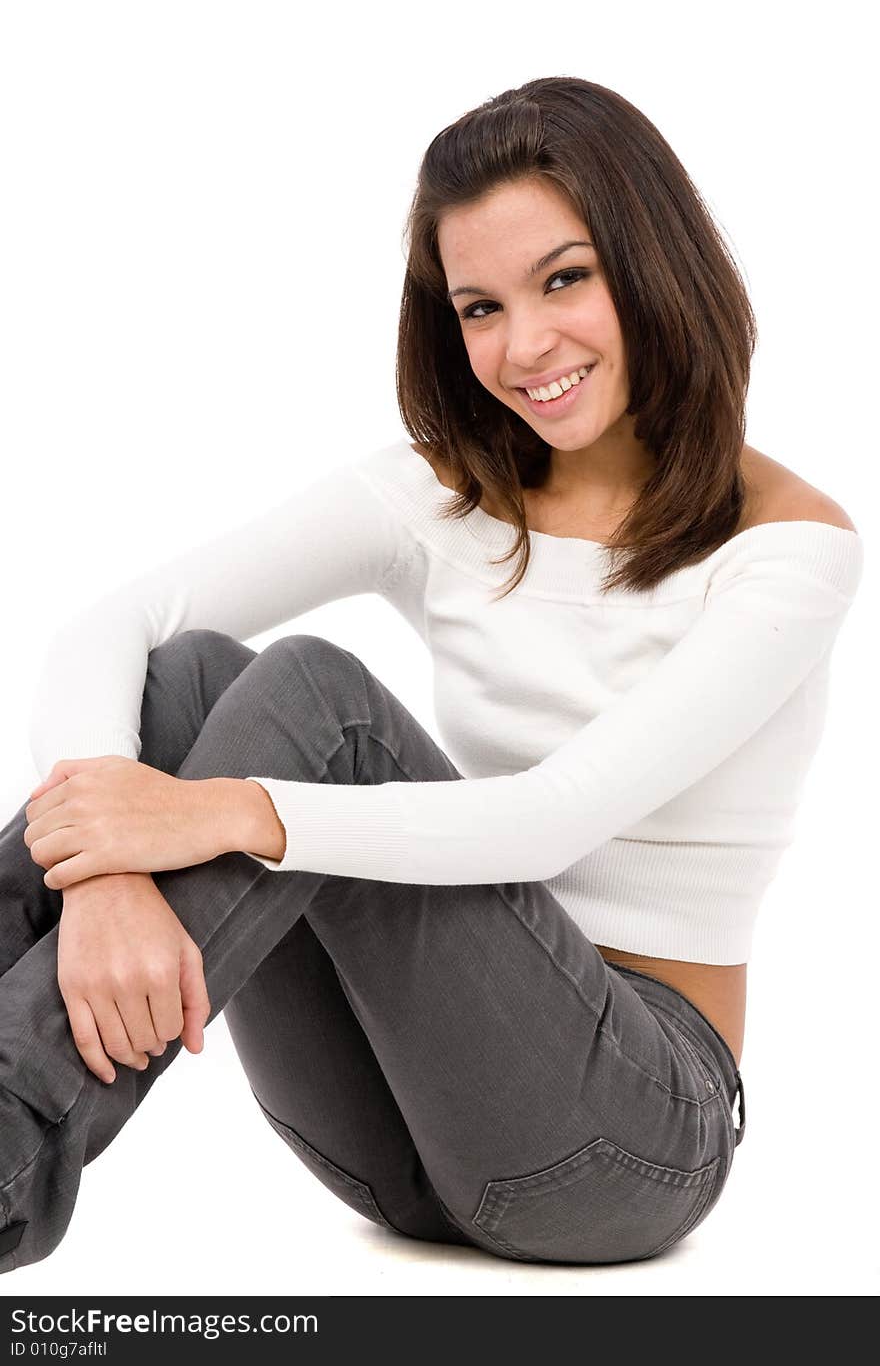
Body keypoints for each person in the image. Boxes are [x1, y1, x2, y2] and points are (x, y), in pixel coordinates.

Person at [0, 76, 863, 1273]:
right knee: (186, 682)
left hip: (623, 1146)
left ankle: (5, 1134)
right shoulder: (441, 496)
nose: (524, 347)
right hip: (388, 1131)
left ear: (652, 262)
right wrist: (102, 877)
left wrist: (214, 810)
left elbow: (553, 818)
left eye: (565, 279)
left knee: (319, 704)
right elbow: (116, 621)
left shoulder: (786, 554)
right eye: (478, 306)